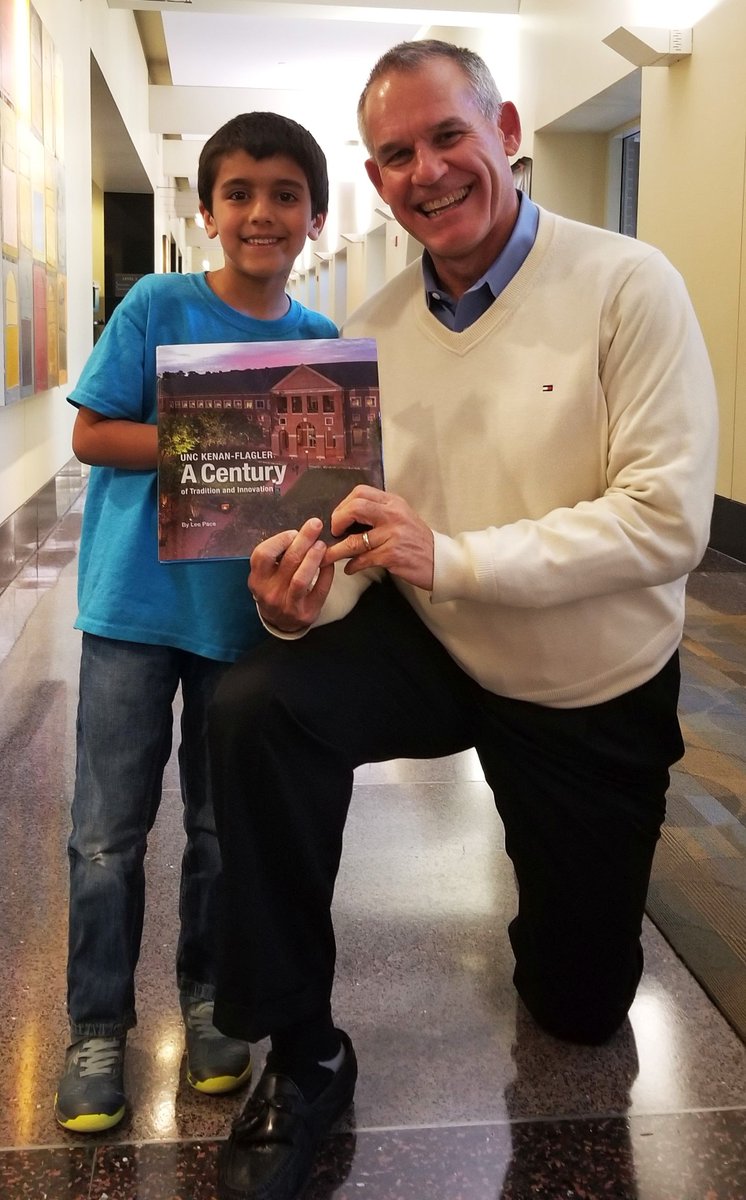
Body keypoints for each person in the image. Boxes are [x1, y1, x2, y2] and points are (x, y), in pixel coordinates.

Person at [206, 40, 719, 1200]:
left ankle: (560, 914)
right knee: (255, 703)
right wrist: (301, 601)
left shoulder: (626, 283)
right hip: (437, 642)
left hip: (585, 683)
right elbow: (355, 548)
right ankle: (299, 1049)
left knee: (577, 1009)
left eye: (446, 137)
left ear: (507, 130)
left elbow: (665, 522)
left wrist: (454, 557)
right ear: (375, 181)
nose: (425, 170)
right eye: (394, 154)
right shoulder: (373, 330)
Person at [54, 111, 337, 1133]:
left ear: (314, 215)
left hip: (240, 617)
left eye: (284, 194)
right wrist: (213, 435)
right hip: (133, 607)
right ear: (208, 209)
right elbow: (90, 433)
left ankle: (211, 1003)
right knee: (105, 837)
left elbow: (323, 484)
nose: (260, 212)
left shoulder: (319, 349)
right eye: (239, 193)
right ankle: (95, 1026)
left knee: (222, 833)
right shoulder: (156, 305)